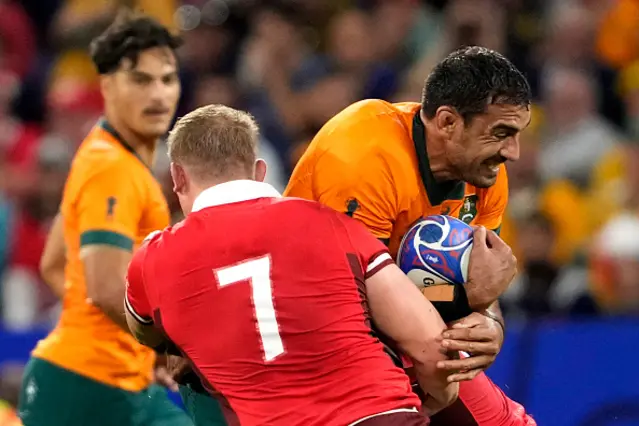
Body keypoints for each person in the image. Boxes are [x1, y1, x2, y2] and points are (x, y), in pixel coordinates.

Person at [124, 104, 460, 426]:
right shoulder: (331, 223)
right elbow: (431, 346)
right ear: (259, 171)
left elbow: (144, 331)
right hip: (379, 416)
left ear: (177, 177)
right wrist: (435, 400)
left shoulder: (152, 259)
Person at [285, 46, 536, 425]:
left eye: (516, 134)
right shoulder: (365, 156)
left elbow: (482, 284)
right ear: (448, 122)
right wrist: (465, 298)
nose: (513, 153)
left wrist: (489, 324)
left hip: (405, 337)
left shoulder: (484, 173)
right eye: (501, 133)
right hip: (311, 337)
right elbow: (351, 303)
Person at [18, 12, 194, 426]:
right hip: (93, 385)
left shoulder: (98, 152)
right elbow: (103, 285)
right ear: (108, 86)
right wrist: (164, 348)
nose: (158, 95)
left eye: (166, 79)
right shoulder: (112, 168)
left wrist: (126, 347)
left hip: (82, 378)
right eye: (140, 80)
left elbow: (54, 263)